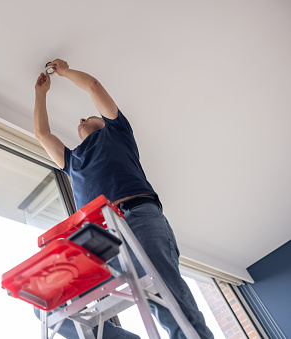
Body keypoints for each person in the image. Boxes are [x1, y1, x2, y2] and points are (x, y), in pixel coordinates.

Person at [33, 59, 214, 339]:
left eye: (89, 117)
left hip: (137, 216)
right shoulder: (72, 161)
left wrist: (65, 72)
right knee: (48, 306)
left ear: (104, 123)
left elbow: (93, 86)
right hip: (99, 237)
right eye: (80, 119)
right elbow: (42, 134)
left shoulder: (118, 133)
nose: (81, 119)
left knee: (163, 293)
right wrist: (40, 94)